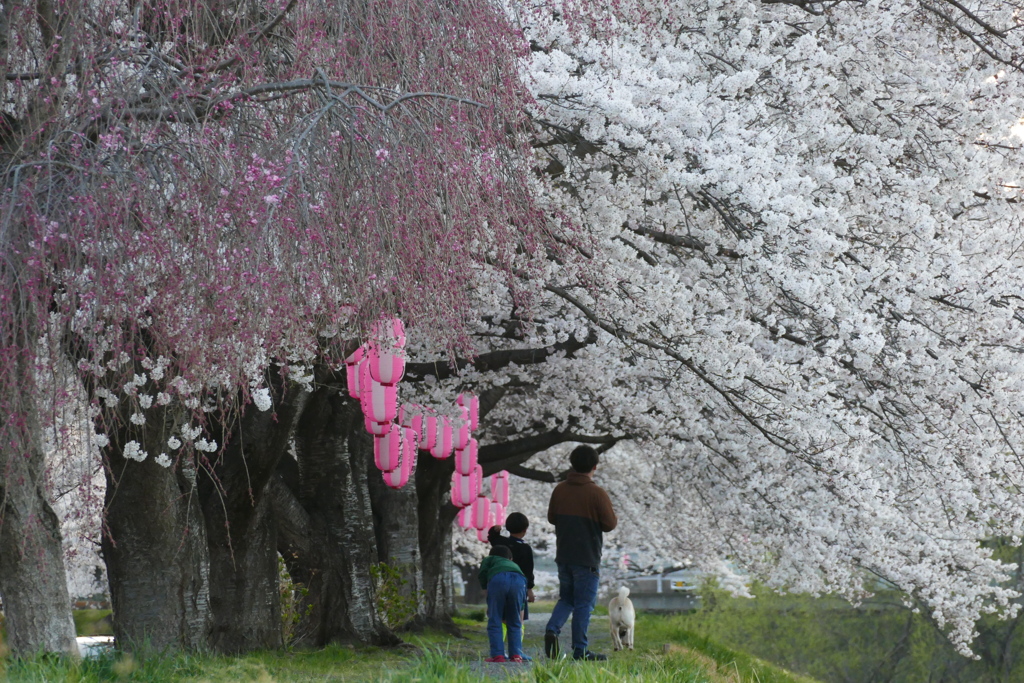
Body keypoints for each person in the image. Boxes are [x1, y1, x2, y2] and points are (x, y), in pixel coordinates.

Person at [544, 445, 618, 661]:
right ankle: (580, 650)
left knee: (567, 598)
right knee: (584, 604)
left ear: (572, 464)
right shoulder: (597, 493)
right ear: (595, 466)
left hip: (564, 554)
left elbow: (552, 518)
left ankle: (552, 629)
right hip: (586, 557)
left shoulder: (560, 489)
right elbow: (610, 524)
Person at [489, 512, 536, 659]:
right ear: (525, 530)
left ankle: (499, 652)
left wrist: (494, 530)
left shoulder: (501, 543)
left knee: (500, 619)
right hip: (518, 586)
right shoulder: (525, 549)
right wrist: (530, 590)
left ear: (507, 527)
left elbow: (492, 537)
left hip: (499, 583)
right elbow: (528, 570)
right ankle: (516, 653)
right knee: (517, 620)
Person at [478, 544, 528, 663]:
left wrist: (485, 588)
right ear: (510, 558)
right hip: (520, 580)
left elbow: (482, 573)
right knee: (515, 622)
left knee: (495, 619)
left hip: (498, 579)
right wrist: (520, 607)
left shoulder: (490, 559)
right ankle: (516, 655)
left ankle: (498, 655)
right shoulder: (514, 565)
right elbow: (522, 597)